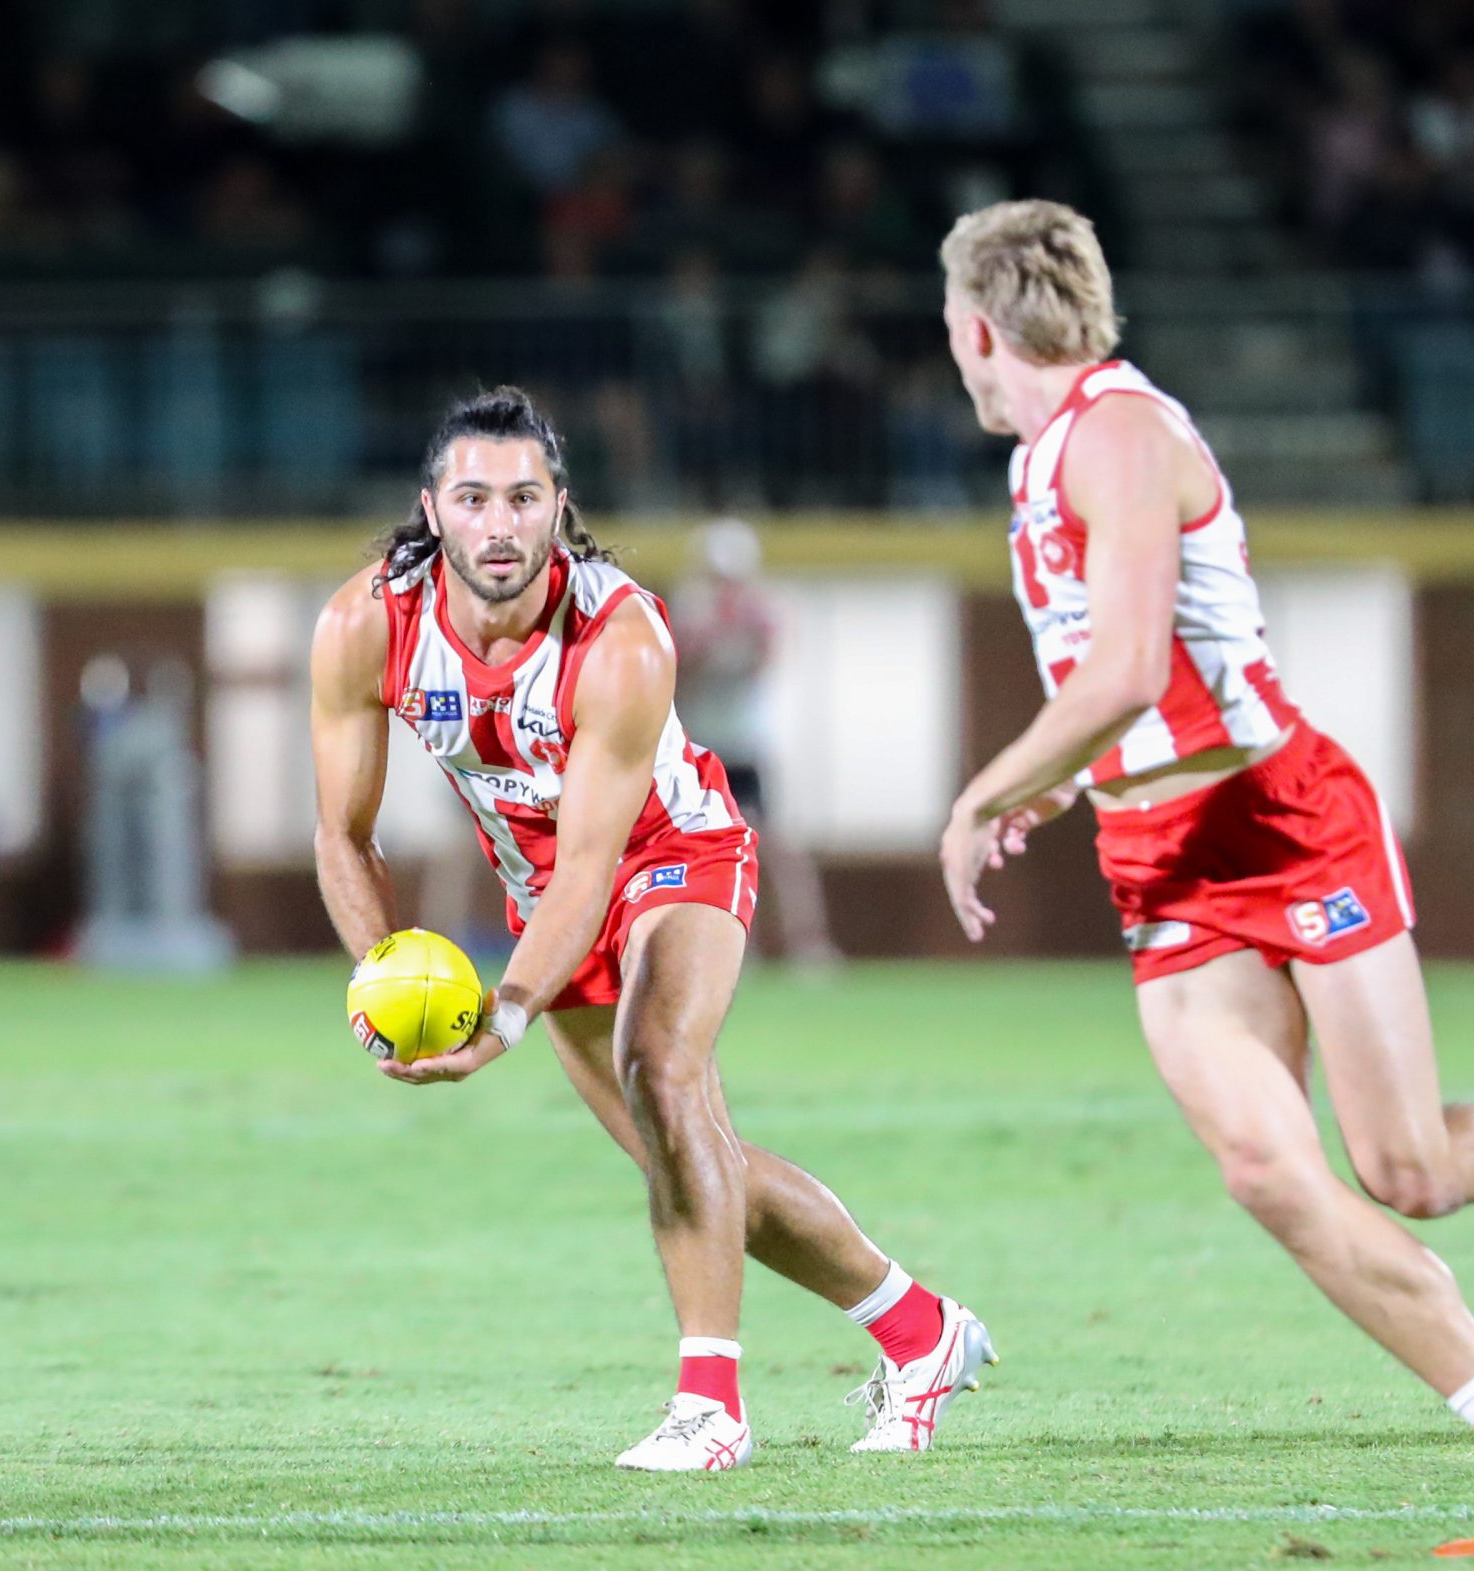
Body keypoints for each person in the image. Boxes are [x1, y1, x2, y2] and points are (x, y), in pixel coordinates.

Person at [932, 201, 1474, 1559]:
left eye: (954, 335)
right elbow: (1116, 702)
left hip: (1281, 818)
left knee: (1411, 1167)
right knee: (1270, 1171)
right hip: (1157, 859)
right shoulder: (1040, 462)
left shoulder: (1125, 434)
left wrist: (984, 789)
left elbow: (1134, 669)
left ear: (977, 329)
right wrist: (1052, 784)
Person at [309, 388, 991, 1472]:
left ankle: (710, 1407)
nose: (499, 523)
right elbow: (344, 835)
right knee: (682, 1159)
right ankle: (921, 1331)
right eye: (475, 496)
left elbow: (593, 859)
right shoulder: (362, 625)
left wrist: (507, 1014)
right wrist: (382, 978)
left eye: (523, 498)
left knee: (659, 1071)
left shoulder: (619, 634)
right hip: (545, 888)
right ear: (431, 507)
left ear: (559, 509)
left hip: (675, 848)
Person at [667, 518, 838, 966]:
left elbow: (766, 660)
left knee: (776, 845)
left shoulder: (762, 609)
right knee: (701, 849)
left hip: (746, 744)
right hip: (702, 747)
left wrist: (737, 628)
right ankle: (734, 946)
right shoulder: (688, 609)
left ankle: (807, 941)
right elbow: (679, 675)